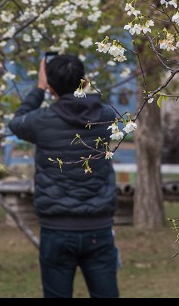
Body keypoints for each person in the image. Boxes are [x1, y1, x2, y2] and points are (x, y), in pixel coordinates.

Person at [8, 53, 119, 298]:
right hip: (98, 227)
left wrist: (39, 89)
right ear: (84, 81)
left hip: (56, 229)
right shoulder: (105, 117)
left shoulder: (41, 121)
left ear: (49, 84)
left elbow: (16, 123)